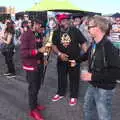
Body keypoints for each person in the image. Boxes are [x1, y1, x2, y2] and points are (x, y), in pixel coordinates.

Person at [80, 15, 120, 120]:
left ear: (98, 28)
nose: (87, 28)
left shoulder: (109, 48)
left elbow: (116, 73)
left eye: (90, 26)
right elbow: (87, 55)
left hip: (104, 88)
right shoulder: (94, 43)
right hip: (93, 84)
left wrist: (92, 76)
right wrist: (75, 60)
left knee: (104, 115)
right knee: (87, 108)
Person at [51, 13, 87, 106]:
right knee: (61, 77)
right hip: (61, 60)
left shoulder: (75, 30)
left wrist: (88, 54)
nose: (66, 22)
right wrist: (59, 54)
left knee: (74, 78)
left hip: (74, 60)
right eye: (63, 20)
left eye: (67, 20)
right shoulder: (56, 32)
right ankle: (60, 93)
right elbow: (54, 45)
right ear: (59, 22)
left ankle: (73, 96)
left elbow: (83, 42)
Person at [20, 20, 46, 120]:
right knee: (33, 88)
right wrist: (38, 50)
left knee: (38, 86)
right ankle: (33, 110)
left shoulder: (39, 34)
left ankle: (35, 104)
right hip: (31, 66)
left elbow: (40, 49)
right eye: (40, 25)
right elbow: (23, 53)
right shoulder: (26, 35)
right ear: (35, 24)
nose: (41, 28)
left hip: (39, 65)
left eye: (42, 26)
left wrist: (44, 56)